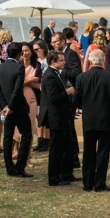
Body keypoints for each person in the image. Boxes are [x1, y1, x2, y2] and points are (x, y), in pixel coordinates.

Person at [74, 49, 110, 192]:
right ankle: (100, 183)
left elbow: (76, 100)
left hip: (89, 118)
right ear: (103, 61)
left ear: (90, 60)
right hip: (105, 118)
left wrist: (86, 107)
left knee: (88, 152)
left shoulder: (81, 77)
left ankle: (87, 183)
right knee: (103, 152)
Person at [0, 42, 33, 178]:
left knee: (8, 136)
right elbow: (17, 89)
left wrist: (5, 106)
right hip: (18, 107)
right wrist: (10, 106)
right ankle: (19, 167)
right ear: (18, 54)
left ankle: (9, 168)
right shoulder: (19, 67)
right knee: (27, 134)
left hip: (6, 108)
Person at [39, 50, 77, 186]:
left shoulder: (56, 74)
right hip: (56, 117)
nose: (64, 62)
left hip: (63, 116)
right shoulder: (49, 75)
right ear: (53, 62)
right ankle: (54, 177)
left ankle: (67, 174)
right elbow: (53, 98)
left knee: (69, 144)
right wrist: (66, 92)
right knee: (56, 148)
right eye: (61, 60)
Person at [51, 31, 82, 168]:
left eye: (56, 42)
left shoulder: (71, 54)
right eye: (52, 42)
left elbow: (77, 73)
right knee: (67, 126)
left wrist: (62, 71)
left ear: (63, 41)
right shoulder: (58, 55)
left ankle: (74, 157)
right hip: (63, 93)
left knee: (69, 126)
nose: (54, 44)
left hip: (71, 94)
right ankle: (70, 155)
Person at [12, 42, 40, 168]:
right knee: (16, 128)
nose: (25, 53)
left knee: (30, 127)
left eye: (27, 50)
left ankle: (27, 157)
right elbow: (16, 84)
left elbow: (39, 85)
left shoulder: (37, 66)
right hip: (19, 98)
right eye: (22, 51)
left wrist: (25, 82)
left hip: (32, 99)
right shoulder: (17, 65)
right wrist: (30, 80)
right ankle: (15, 151)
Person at [32, 40, 51, 152]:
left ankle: (47, 140)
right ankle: (40, 140)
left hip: (46, 90)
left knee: (46, 116)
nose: (34, 52)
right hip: (37, 91)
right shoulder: (35, 61)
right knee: (38, 116)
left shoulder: (48, 60)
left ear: (42, 49)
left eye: (36, 49)